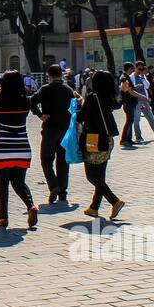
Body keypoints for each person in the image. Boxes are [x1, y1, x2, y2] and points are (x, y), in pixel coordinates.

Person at [0, 70, 37, 229]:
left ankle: (4, 218)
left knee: (2, 184)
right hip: (22, 147)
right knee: (18, 181)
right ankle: (31, 206)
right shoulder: (26, 101)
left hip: (2, 148)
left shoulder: (0, 101)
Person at [78, 70, 125, 220]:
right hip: (108, 138)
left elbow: (81, 116)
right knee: (100, 174)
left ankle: (114, 201)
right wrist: (124, 92)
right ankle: (94, 207)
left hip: (93, 138)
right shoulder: (109, 97)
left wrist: (82, 103)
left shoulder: (92, 97)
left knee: (91, 175)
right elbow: (118, 105)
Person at [29, 64, 78, 206]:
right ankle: (63, 191)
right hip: (64, 130)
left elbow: (32, 101)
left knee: (46, 160)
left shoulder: (45, 89)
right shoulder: (68, 90)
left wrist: (39, 114)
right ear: (61, 74)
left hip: (50, 129)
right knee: (63, 161)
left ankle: (53, 185)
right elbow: (75, 107)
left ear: (49, 76)